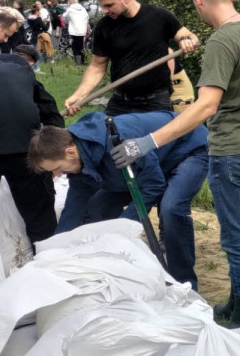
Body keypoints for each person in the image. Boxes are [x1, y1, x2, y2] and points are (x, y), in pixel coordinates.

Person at [111, 0, 240, 337]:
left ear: (198, 0)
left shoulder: (222, 41)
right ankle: (238, 302)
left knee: (236, 239)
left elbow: (205, 106)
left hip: (234, 152)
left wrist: (149, 142)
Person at [28, 111, 209, 289]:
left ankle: (184, 283)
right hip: (140, 166)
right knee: (97, 208)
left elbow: (153, 185)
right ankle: (107, 269)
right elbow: (75, 205)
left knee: (171, 209)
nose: (57, 175)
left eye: (57, 168)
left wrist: (123, 226)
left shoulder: (118, 139)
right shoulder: (79, 155)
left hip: (188, 148)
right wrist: (56, 249)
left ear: (70, 152)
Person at [64, 0, 199, 116]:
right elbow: (97, 66)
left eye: (109, 5)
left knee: (156, 138)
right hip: (121, 101)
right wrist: (79, 96)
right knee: (106, 135)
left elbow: (189, 36)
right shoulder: (104, 26)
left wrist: (186, 40)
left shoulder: (159, 16)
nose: (104, 11)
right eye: (102, 6)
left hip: (156, 101)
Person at [0, 56, 63, 246]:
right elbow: (50, 112)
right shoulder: (20, 69)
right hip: (26, 148)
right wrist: (51, 154)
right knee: (40, 214)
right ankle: (47, 257)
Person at [64, 0, 90, 64]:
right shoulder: (83, 9)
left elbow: (64, 16)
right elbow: (87, 18)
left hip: (74, 31)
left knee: (74, 46)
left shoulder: (70, 9)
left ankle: (78, 62)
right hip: (82, 30)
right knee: (81, 46)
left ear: (70, 2)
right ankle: (83, 60)